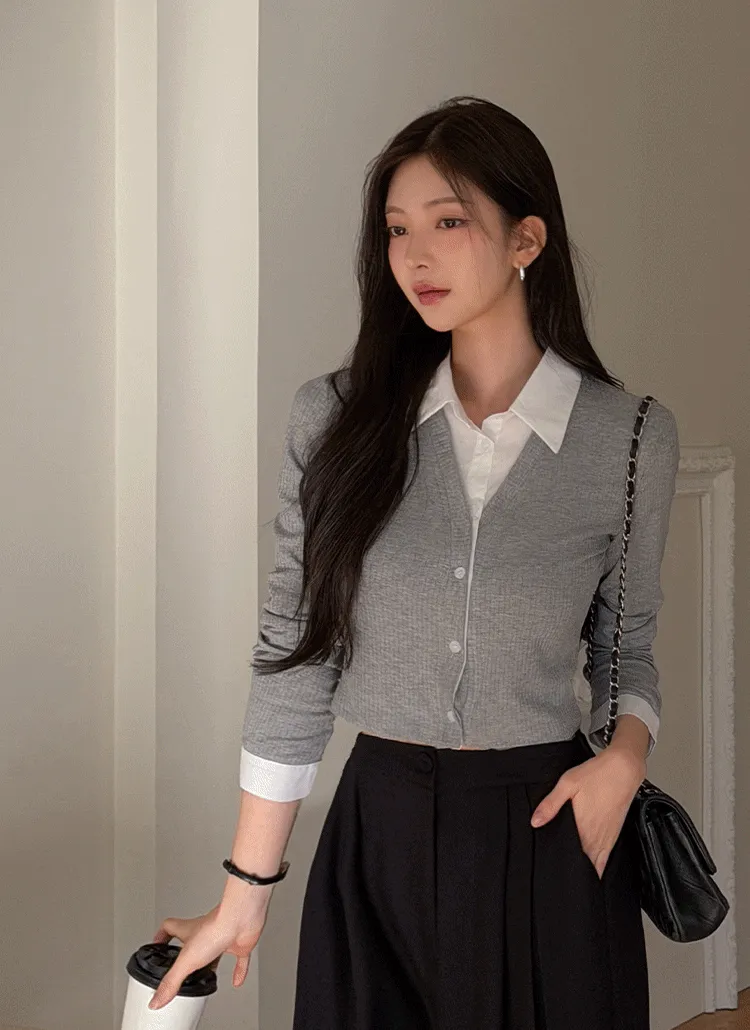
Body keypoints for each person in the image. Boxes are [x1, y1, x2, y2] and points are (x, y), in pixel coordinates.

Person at [148, 95, 680, 1028]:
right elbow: (296, 654)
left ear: (526, 240)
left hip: (551, 832)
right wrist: (245, 890)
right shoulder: (335, 420)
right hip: (377, 839)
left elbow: (624, 648)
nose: (415, 256)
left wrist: (623, 761)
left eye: (448, 222)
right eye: (397, 230)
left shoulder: (628, 438)